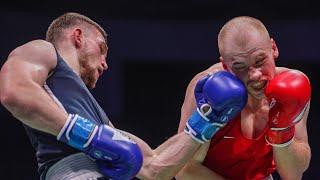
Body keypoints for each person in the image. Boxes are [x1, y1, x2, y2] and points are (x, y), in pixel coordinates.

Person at [0, 12, 248, 180]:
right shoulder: (42, 50)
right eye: (101, 48)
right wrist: (88, 136)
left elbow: (154, 167)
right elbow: (14, 92)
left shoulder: (103, 125)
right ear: (78, 37)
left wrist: (206, 120)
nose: (105, 63)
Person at [176, 16, 312, 180]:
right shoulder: (207, 91)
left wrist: (281, 129)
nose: (255, 75)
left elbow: (293, 174)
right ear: (226, 66)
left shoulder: (293, 87)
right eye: (240, 67)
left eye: (260, 61)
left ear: (274, 48)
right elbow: (184, 169)